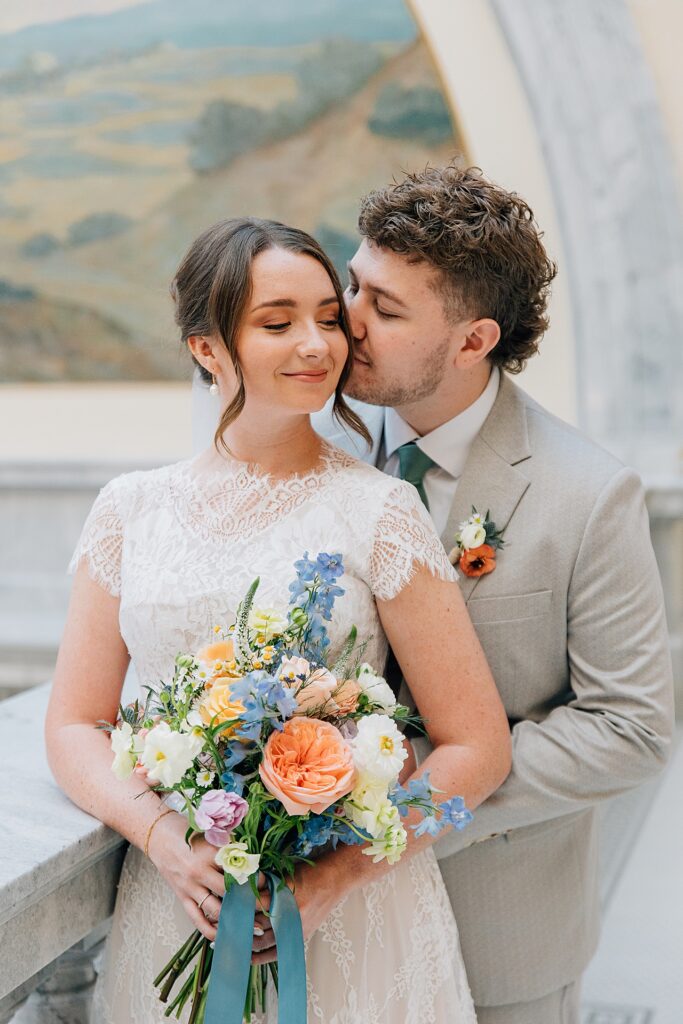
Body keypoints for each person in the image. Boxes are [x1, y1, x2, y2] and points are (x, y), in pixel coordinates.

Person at [45, 217, 512, 1023]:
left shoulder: (379, 511)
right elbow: (73, 723)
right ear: (206, 348)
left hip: (353, 915)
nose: (316, 344)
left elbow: (478, 746)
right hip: (177, 896)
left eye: (329, 318)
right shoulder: (129, 510)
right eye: (277, 322)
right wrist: (162, 837)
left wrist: (333, 878)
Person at [320, 163, 672, 1023]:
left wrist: (420, 801)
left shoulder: (587, 495)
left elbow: (629, 727)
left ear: (474, 340)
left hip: (496, 939)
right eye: (354, 285)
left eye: (387, 310)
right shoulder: (307, 440)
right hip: (315, 929)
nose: (346, 323)